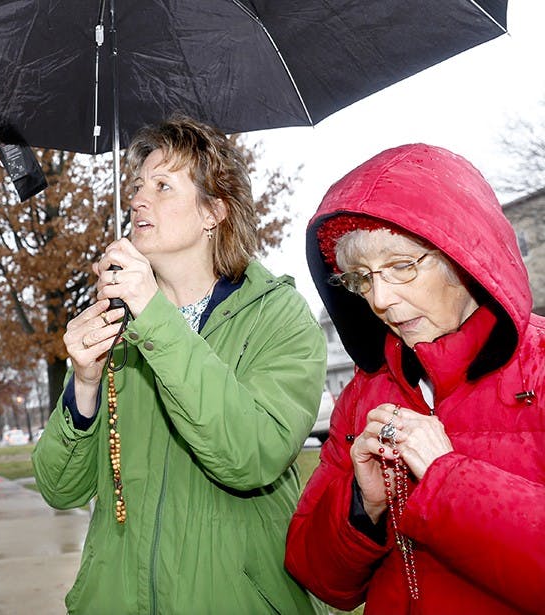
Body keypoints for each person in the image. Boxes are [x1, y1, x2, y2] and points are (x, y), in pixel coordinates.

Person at [32, 116, 326, 614]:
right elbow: (61, 488)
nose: (138, 199)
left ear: (214, 210)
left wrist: (155, 317)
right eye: (138, 185)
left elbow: (251, 455)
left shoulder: (278, 316)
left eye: (163, 186)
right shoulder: (115, 329)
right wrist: (82, 385)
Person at [285, 143, 545, 614]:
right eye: (361, 278)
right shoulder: (366, 392)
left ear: (462, 254)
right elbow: (318, 576)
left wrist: (448, 481)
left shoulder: (541, 366)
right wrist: (363, 507)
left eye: (402, 267)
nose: (379, 299)